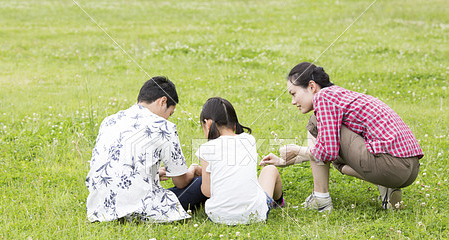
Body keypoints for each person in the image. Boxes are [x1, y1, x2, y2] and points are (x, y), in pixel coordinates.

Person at [260, 62, 423, 212]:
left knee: (315, 124)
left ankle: (320, 198)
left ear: (311, 86)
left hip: (389, 165)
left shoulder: (323, 97)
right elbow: (330, 151)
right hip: (410, 169)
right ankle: (386, 188)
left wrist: (296, 150)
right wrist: (286, 160)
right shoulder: (339, 95)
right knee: (335, 154)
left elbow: (326, 151)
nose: (293, 101)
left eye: (294, 94)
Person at [85, 76, 207, 223]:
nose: (168, 118)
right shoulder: (164, 127)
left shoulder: (109, 121)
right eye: (170, 113)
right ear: (163, 101)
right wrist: (193, 169)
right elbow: (180, 182)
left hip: (100, 209)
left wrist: (153, 173)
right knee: (203, 181)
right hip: (140, 210)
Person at [196, 97, 284, 225]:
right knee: (270, 170)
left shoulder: (205, 149)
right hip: (255, 214)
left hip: (218, 216)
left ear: (208, 124)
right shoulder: (249, 140)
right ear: (234, 124)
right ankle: (279, 201)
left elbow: (207, 191)